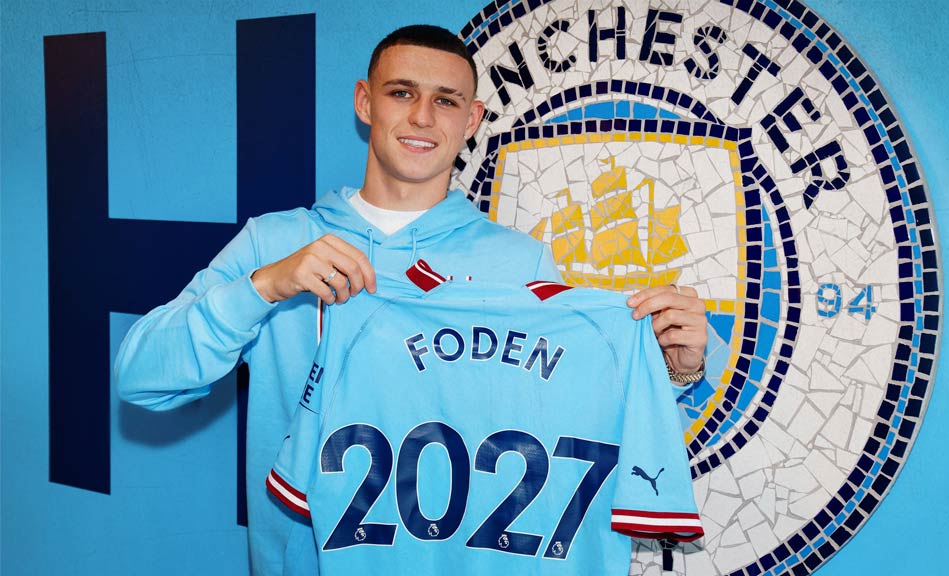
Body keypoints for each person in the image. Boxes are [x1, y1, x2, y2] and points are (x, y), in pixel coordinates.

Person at [115, 24, 708, 576]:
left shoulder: (521, 265)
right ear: (364, 102)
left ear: (472, 119)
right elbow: (140, 379)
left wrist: (672, 373)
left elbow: (566, 436)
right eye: (401, 93)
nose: (422, 116)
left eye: (446, 101)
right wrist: (265, 287)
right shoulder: (274, 243)